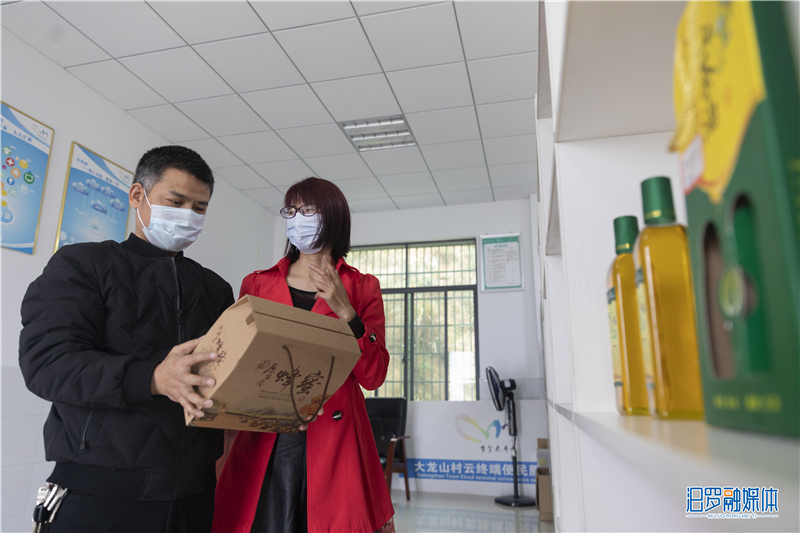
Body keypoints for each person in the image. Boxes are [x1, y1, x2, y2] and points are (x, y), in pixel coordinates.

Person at [19, 146, 235, 533]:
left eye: (199, 208)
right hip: (100, 496)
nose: (188, 215)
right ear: (138, 195)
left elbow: (226, 374)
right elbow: (47, 364)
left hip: (195, 497)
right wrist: (152, 378)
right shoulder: (82, 265)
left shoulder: (215, 289)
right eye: (176, 202)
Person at [212, 177, 394, 533]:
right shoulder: (257, 283)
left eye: (308, 209)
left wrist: (347, 313)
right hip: (264, 432)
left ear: (333, 215)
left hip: (335, 437)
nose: (298, 218)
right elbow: (235, 361)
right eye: (291, 210)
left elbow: (374, 376)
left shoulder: (362, 286)